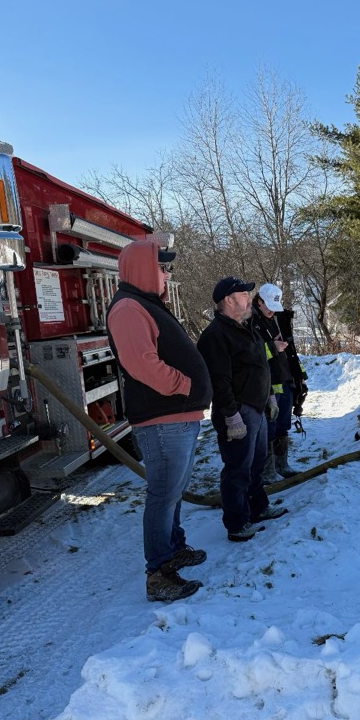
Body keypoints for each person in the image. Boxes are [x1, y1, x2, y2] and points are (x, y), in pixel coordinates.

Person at [107, 240, 212, 601]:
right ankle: (159, 573)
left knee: (174, 491)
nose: (167, 275)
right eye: (162, 267)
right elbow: (142, 364)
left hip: (177, 416)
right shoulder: (128, 308)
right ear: (143, 269)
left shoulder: (145, 304)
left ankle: (174, 548)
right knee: (163, 496)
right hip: (162, 419)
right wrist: (185, 385)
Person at [197, 277, 288, 541]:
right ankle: (236, 524)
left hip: (256, 409)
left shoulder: (246, 327)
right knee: (237, 468)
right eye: (244, 295)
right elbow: (218, 381)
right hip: (238, 412)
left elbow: (261, 365)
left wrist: (270, 396)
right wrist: (231, 416)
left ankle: (258, 508)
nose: (249, 299)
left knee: (256, 464)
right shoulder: (216, 335)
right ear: (228, 300)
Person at [252, 283, 308, 480]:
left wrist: (299, 377)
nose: (271, 311)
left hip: (286, 380)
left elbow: (291, 352)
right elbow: (250, 353)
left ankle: (282, 465)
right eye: (268, 306)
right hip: (267, 383)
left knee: (283, 424)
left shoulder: (279, 319)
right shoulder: (250, 322)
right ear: (259, 301)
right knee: (269, 426)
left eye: (274, 307)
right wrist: (271, 347)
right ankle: (267, 471)